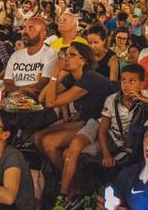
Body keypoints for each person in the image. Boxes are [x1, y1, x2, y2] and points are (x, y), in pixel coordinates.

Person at [36, 42, 114, 206]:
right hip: (86, 119)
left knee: (49, 142)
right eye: (66, 54)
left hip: (102, 123)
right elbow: (43, 98)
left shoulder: (90, 78)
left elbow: (50, 102)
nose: (65, 58)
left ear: (82, 60)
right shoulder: (73, 76)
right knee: (38, 137)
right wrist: (59, 75)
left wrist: (56, 72)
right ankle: (73, 182)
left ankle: (73, 188)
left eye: (71, 55)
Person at [2, 16, 57, 97]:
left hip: (37, 105)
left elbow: (42, 85)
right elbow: (7, 84)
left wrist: (17, 88)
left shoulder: (51, 55)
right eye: (25, 28)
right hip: (13, 104)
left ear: (43, 33)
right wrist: (22, 89)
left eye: (31, 28)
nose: (25, 31)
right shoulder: (16, 56)